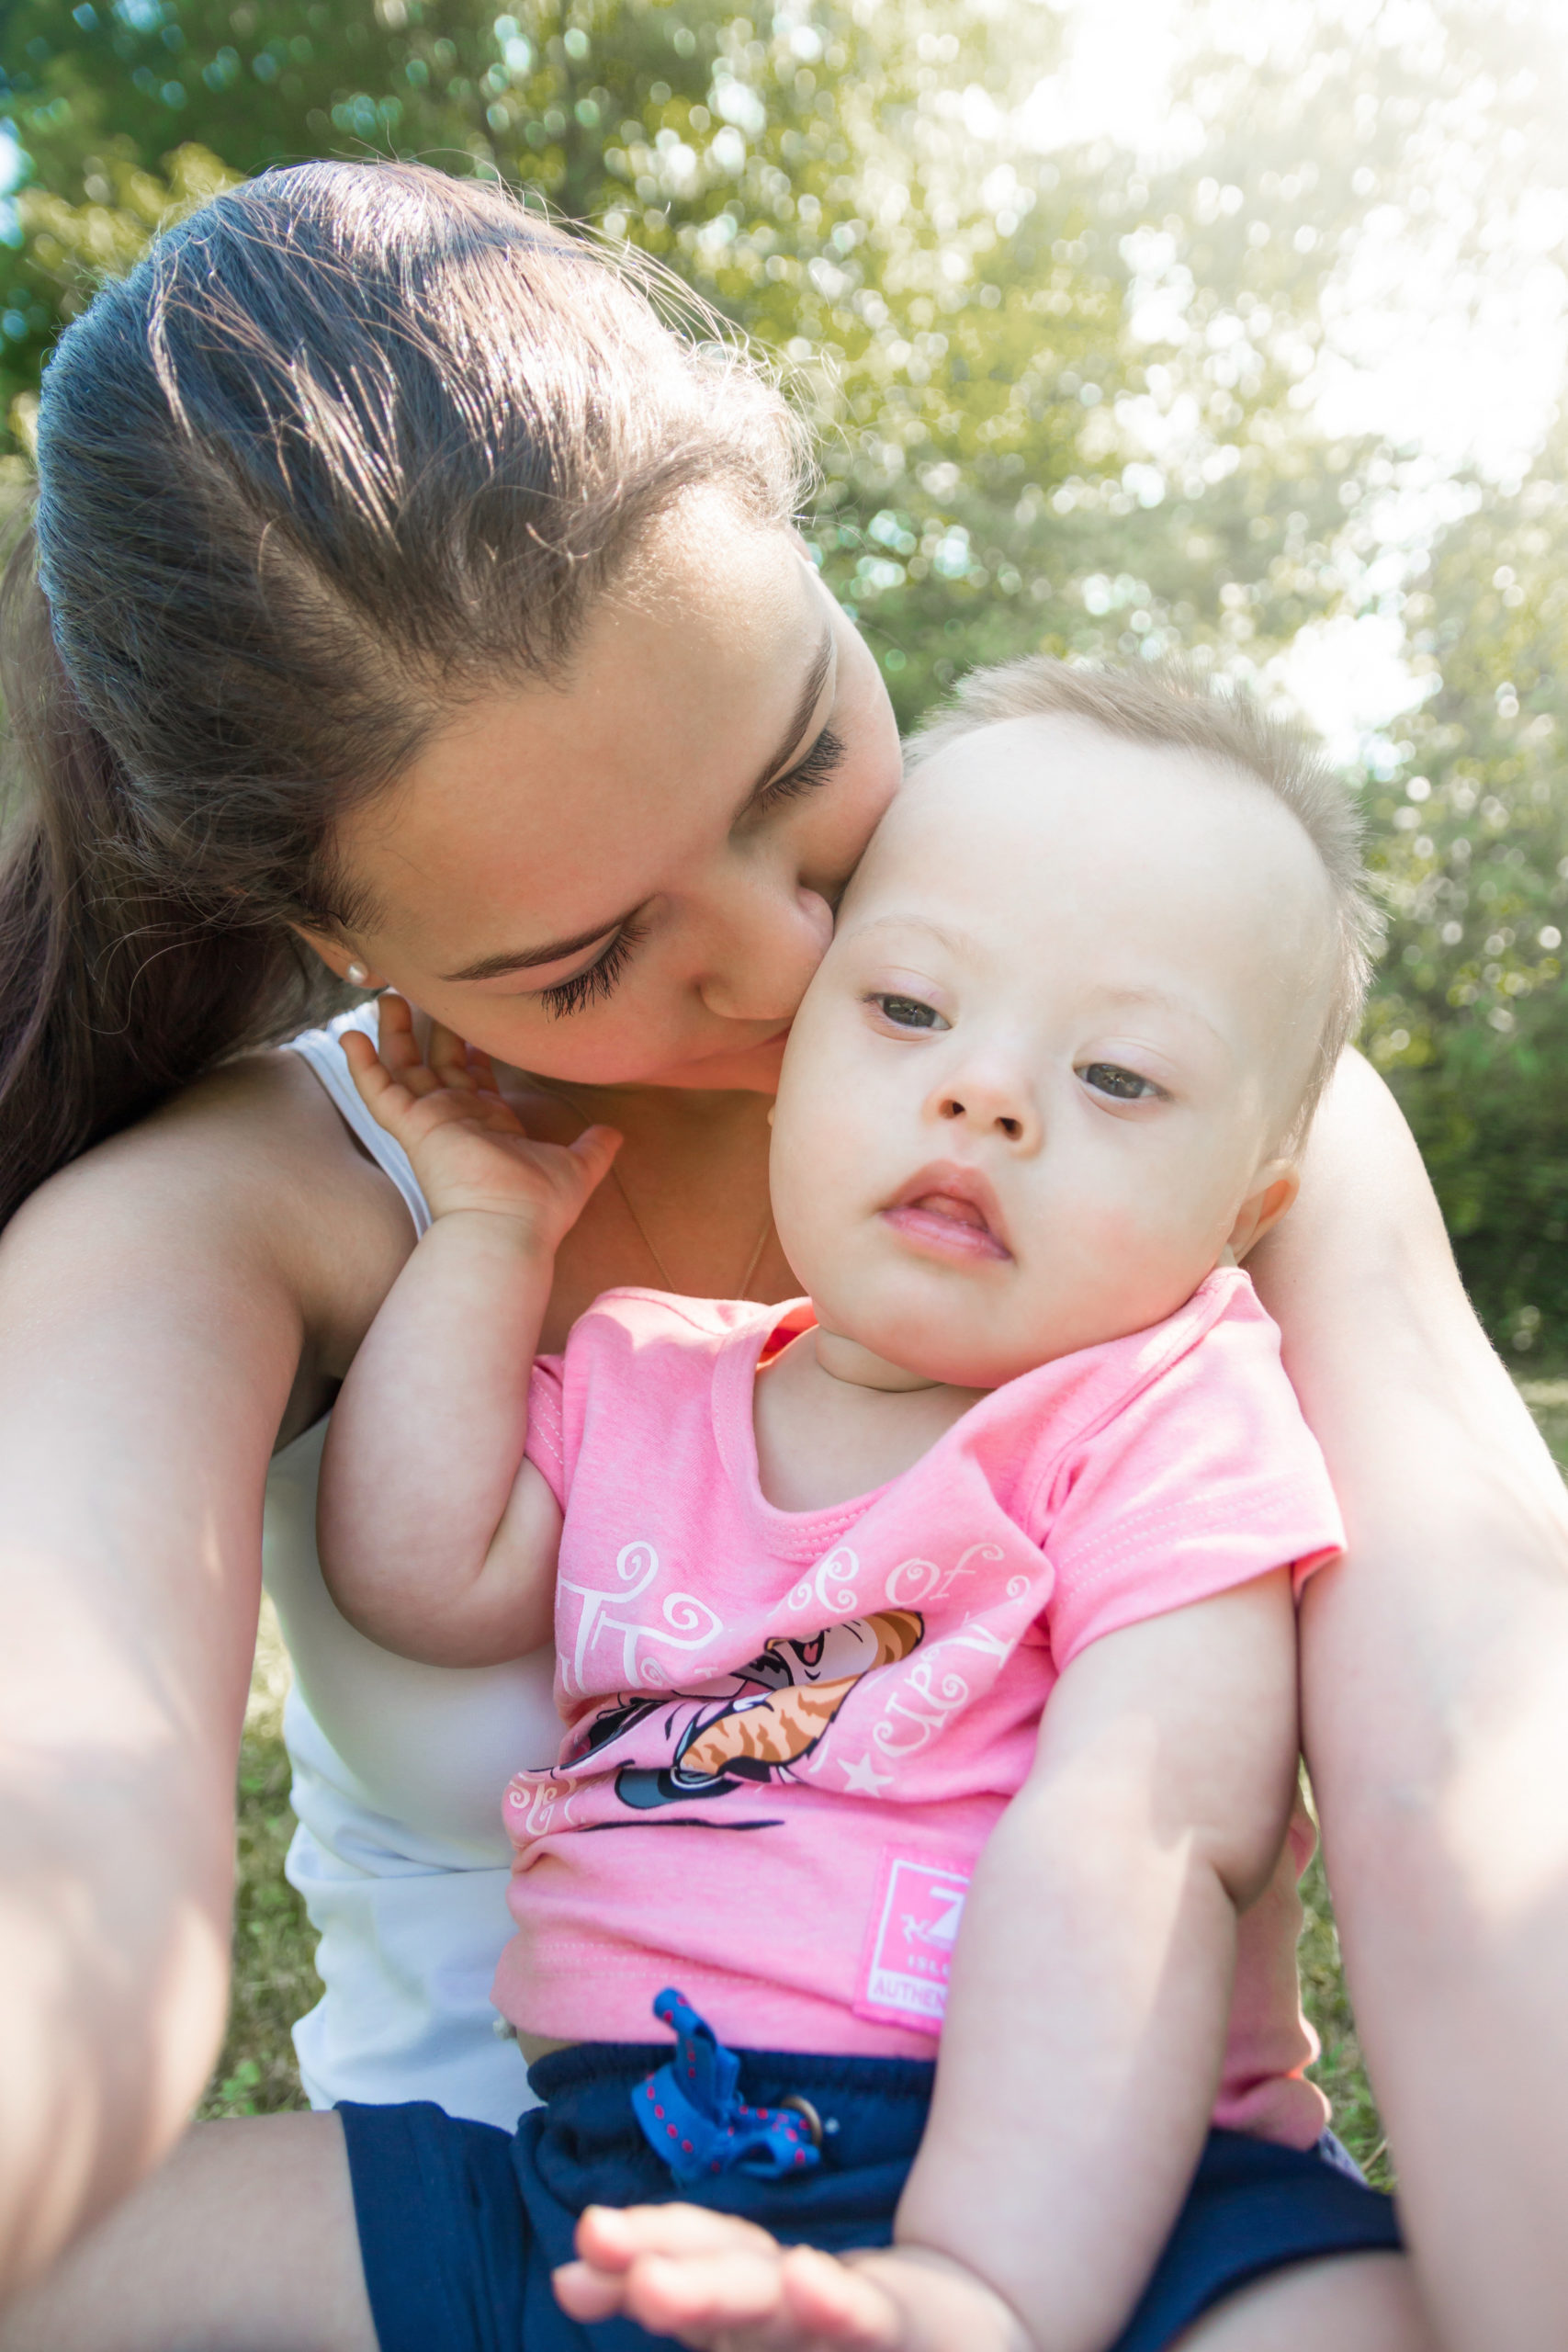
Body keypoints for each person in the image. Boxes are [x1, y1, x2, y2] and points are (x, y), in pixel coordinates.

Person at [0, 157, 1564, 2348]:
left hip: (1095, 2217)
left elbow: (1465, 1752)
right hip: (551, 2213)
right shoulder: (227, 1215)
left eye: (803, 753)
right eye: (592, 953)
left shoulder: (1162, 1100)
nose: (794, 955)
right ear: (349, 945)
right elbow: (48, 1832)